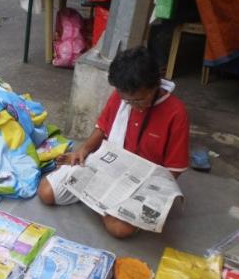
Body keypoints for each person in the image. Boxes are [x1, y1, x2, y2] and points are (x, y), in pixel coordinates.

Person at [38, 46, 189, 239]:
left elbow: (174, 169)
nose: (131, 105)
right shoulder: (123, 95)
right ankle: (101, 203)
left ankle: (98, 201)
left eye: (138, 100)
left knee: (120, 229)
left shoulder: (176, 113)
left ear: (155, 85)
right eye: (127, 100)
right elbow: (102, 127)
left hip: (141, 183)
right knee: (46, 192)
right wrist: (83, 150)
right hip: (107, 166)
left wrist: (149, 192)